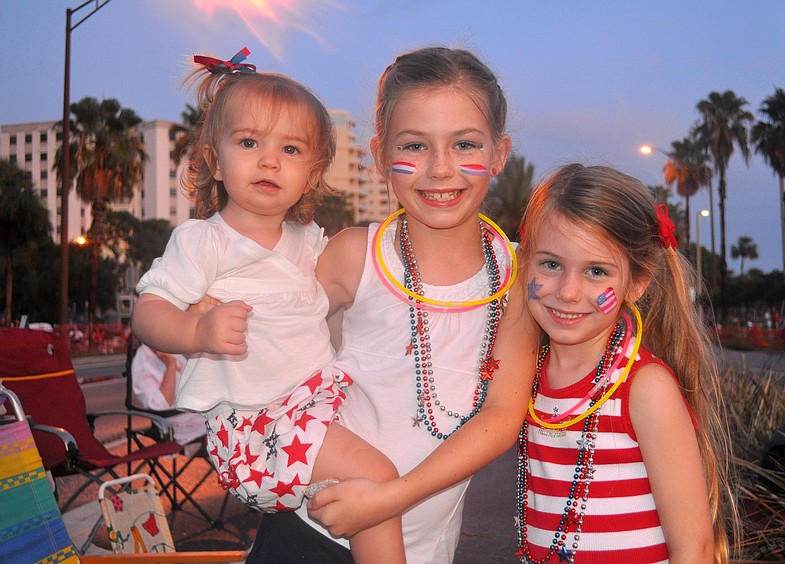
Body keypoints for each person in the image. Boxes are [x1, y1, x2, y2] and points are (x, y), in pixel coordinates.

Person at [245, 46, 538, 563]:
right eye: (415, 146)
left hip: (421, 551)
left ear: (498, 152)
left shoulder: (516, 277)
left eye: (464, 143)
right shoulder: (353, 254)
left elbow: (503, 413)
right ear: (380, 155)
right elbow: (270, 337)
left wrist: (388, 498)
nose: (441, 169)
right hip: (313, 531)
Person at [131, 48, 405, 563]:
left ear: (314, 169)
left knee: (376, 474)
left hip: (315, 404)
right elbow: (149, 310)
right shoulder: (204, 242)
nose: (269, 160)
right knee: (380, 481)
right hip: (259, 426)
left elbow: (347, 297)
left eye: (291, 149)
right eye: (249, 142)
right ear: (214, 158)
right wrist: (197, 332)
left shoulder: (308, 242)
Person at [515, 164, 735, 563]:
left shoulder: (645, 389)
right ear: (525, 260)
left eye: (596, 271)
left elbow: (695, 548)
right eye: (550, 264)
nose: (567, 291)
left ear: (638, 282)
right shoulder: (524, 373)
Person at [129, 341, 207, 445]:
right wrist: (171, 366)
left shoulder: (169, 350)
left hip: (200, 418)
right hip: (179, 428)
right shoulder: (143, 362)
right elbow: (160, 406)